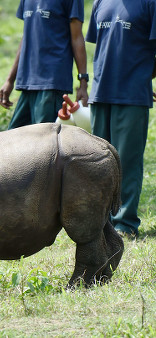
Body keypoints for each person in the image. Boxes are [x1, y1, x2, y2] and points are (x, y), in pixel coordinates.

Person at [86, 0, 156, 239]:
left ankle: (124, 224)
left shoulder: (149, 4)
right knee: (99, 162)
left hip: (132, 96)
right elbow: (101, 47)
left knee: (126, 161)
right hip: (100, 94)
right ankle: (101, 222)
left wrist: (144, 76)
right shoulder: (100, 2)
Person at [0, 0, 88, 129]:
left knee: (46, 141)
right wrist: (10, 80)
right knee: (14, 139)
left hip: (52, 83)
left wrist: (83, 82)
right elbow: (26, 36)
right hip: (27, 83)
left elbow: (77, 37)